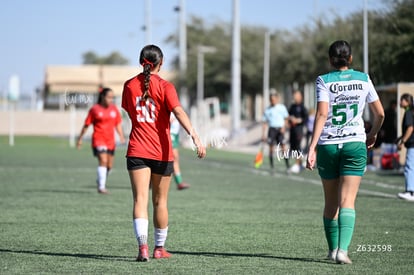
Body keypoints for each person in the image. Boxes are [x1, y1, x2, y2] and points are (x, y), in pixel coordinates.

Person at [121, 44, 206, 262]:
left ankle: (142, 248)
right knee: (160, 202)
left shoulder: (129, 86)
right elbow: (178, 111)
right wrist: (195, 136)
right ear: (162, 62)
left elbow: (130, 112)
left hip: (137, 149)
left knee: (140, 199)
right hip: (161, 151)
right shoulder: (166, 87)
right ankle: (159, 248)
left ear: (141, 61)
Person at [306, 40, 384, 264]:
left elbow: (321, 115)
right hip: (354, 144)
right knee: (347, 200)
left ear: (331, 59)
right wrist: (373, 134)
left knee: (331, 202)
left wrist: (312, 147)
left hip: (329, 145)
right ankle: (343, 250)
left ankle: (332, 251)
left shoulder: (324, 80)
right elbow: (380, 114)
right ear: (350, 59)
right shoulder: (363, 79)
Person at [77, 87, 125, 194]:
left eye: (112, 97)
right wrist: (80, 138)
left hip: (110, 141)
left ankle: (100, 179)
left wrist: (121, 136)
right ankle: (101, 187)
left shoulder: (114, 109)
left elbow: (117, 124)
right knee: (103, 160)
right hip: (98, 139)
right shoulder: (95, 109)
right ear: (103, 97)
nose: (111, 99)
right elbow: (86, 125)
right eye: (109, 97)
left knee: (109, 166)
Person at [262, 92, 289, 170]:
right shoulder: (268, 109)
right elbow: (264, 122)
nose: (272, 101)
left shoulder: (282, 107)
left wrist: (284, 127)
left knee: (283, 147)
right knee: (271, 148)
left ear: (277, 99)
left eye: (273, 99)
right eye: (271, 100)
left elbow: (286, 118)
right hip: (272, 130)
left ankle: (287, 165)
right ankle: (272, 166)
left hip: (280, 130)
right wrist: (263, 134)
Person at [396, 94, 414, 201]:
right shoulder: (411, 111)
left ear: (407, 101)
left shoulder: (408, 112)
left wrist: (402, 141)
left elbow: (410, 128)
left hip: (412, 144)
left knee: (409, 167)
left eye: (401, 100)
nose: (400, 102)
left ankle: (410, 191)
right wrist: (400, 138)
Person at [287, 90, 308, 173]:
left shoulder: (302, 107)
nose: (294, 97)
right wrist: (289, 120)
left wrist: (298, 120)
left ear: (300, 96)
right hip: (292, 129)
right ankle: (298, 163)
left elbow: (305, 118)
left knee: (298, 146)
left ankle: (298, 164)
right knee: (293, 146)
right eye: (294, 96)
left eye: (296, 95)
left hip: (299, 130)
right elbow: (288, 115)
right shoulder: (292, 106)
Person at [170, 113, 191, 190]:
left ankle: (179, 182)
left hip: (174, 134)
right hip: (169, 133)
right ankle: (150, 181)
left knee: (175, 158)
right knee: (172, 157)